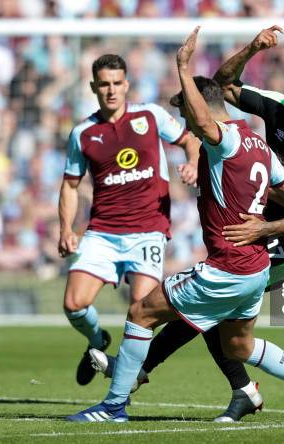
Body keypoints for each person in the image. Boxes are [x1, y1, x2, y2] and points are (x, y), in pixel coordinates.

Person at [66, 27, 284, 423]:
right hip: (256, 266)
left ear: (202, 109)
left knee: (141, 312)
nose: (183, 120)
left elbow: (206, 123)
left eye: (185, 111)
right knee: (238, 348)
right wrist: (259, 216)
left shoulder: (222, 139)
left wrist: (183, 66)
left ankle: (114, 406)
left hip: (229, 264)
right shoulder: (257, 144)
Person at [58, 53, 200, 387]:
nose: (111, 90)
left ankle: (120, 388)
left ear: (127, 85)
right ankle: (98, 344)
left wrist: (192, 163)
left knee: (141, 312)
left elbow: (189, 140)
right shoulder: (83, 134)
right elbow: (70, 184)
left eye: (117, 84)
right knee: (74, 304)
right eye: (104, 84)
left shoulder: (150, 116)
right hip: (103, 232)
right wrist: (66, 228)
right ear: (94, 86)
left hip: (148, 231)